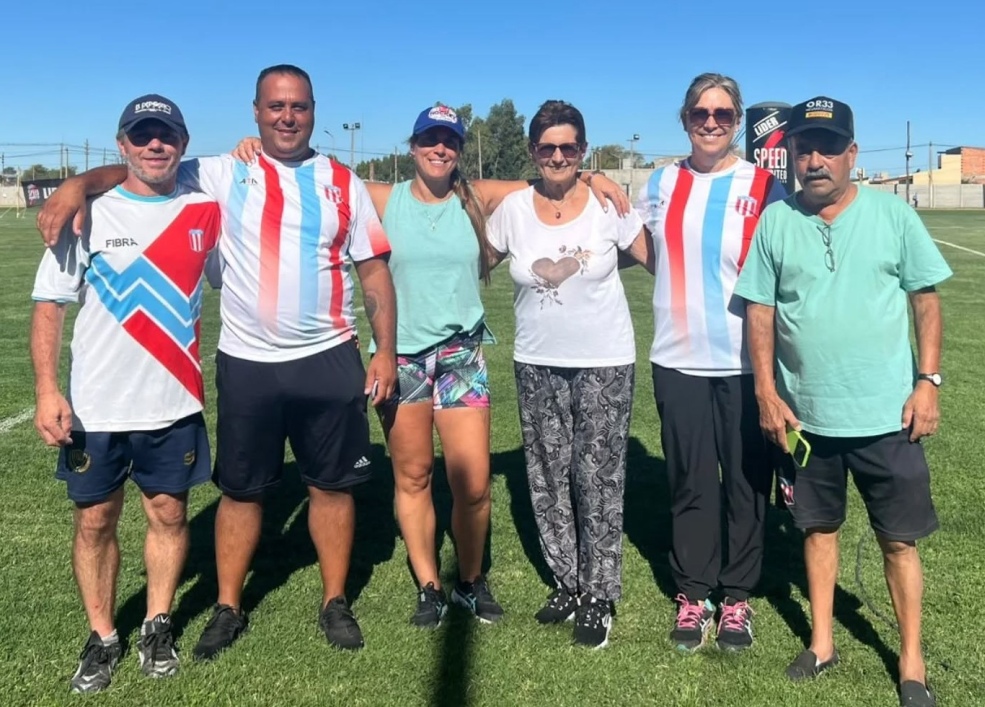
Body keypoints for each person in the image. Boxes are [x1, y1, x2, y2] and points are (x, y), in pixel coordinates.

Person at [35, 64, 399, 657]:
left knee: (331, 488)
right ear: (255, 111)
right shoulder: (224, 171)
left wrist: (384, 348)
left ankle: (335, 602)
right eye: (275, 106)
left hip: (329, 355)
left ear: (313, 111)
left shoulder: (344, 181)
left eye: (299, 106)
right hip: (248, 361)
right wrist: (78, 185)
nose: (287, 116)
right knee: (242, 490)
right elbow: (137, 169)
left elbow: (373, 268)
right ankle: (228, 606)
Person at [229, 106, 629, 628]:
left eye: (450, 142)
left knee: (475, 482)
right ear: (412, 145)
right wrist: (256, 148)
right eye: (429, 140)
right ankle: (429, 585)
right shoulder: (382, 197)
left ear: (459, 149)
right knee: (413, 476)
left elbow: (549, 175)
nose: (440, 150)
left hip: (462, 354)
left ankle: (469, 580)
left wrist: (595, 173)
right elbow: (312, 164)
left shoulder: (476, 196)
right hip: (402, 359)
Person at [734, 96, 950, 707]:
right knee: (818, 530)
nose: (816, 159)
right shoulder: (776, 222)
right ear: (791, 156)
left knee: (898, 541)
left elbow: (925, 301)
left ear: (852, 153)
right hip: (809, 418)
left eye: (829, 147)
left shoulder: (893, 216)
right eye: (805, 148)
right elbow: (760, 310)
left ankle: (911, 658)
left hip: (889, 417)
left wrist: (927, 383)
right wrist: (766, 392)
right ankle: (822, 641)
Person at [30, 95, 221, 692]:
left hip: (174, 403)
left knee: (168, 513)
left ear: (183, 145)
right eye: (142, 135)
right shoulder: (89, 213)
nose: (154, 144)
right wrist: (45, 389)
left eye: (166, 134)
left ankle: (157, 624)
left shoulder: (205, 211)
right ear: (122, 145)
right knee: (95, 522)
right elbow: (49, 305)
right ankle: (102, 635)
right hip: (97, 408)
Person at [630, 73, 786, 653]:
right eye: (701, 112)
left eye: (723, 113)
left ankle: (737, 597)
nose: (712, 122)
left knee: (746, 484)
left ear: (738, 119)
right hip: (678, 358)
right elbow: (646, 245)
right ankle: (694, 593)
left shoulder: (765, 186)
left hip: (747, 364)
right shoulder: (662, 180)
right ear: (685, 118)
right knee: (689, 481)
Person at [485, 99, 646, 649]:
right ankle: (567, 580)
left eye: (569, 147)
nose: (558, 156)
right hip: (536, 360)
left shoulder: (609, 205)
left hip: (604, 358)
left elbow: (653, 257)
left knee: (597, 475)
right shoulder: (511, 209)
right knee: (547, 473)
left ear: (583, 150)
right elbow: (477, 259)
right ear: (534, 151)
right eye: (548, 147)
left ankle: (600, 592)